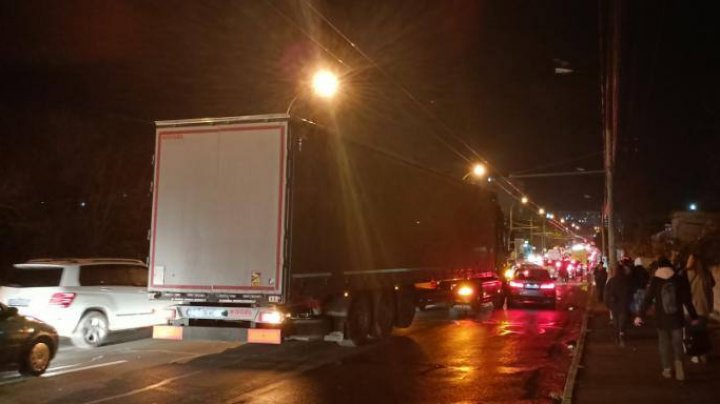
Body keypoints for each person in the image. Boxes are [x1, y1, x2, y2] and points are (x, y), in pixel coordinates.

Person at [634, 257, 699, 381]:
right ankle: (680, 370)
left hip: (661, 319)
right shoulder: (678, 280)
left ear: (659, 267)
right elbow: (687, 300)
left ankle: (667, 370)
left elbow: (647, 300)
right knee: (678, 344)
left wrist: (639, 315)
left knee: (663, 344)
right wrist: (694, 316)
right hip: (677, 319)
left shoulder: (655, 281)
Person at [685, 253, 714, 363]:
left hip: (692, 308)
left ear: (693, 261)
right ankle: (703, 354)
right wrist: (709, 307)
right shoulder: (706, 275)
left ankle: (696, 355)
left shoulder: (688, 273)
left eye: (689, 259)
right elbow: (710, 292)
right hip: (704, 308)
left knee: (693, 333)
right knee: (702, 332)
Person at [605, 260, 634, 347]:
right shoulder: (627, 281)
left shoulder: (612, 281)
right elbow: (631, 293)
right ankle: (621, 334)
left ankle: (617, 335)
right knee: (623, 320)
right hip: (624, 304)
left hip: (614, 305)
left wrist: (608, 304)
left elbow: (606, 293)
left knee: (616, 320)